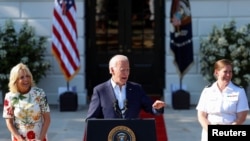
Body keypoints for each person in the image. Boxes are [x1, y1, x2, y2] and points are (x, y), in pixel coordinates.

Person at [86, 54, 166, 120]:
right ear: (112, 70)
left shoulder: (136, 88)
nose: (126, 73)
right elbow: (91, 118)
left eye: (128, 70)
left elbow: (151, 108)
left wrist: (157, 108)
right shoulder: (100, 90)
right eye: (122, 70)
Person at [196, 59, 249, 141]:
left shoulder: (239, 91)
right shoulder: (208, 90)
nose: (228, 75)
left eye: (230, 72)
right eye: (225, 72)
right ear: (217, 72)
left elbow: (242, 116)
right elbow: (201, 116)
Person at [2, 63, 51, 141]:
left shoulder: (40, 93)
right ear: (15, 80)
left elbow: (47, 119)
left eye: (27, 76)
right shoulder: (9, 97)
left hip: (39, 138)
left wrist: (40, 139)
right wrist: (19, 139)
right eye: (22, 77)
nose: (26, 79)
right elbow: (9, 123)